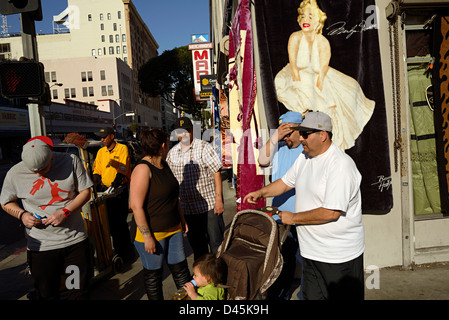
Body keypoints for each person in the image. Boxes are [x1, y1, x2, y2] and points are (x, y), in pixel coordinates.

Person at [244, 112, 365, 300]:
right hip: (312, 254)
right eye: (300, 133)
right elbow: (285, 183)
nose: (300, 139)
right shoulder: (304, 157)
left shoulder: (340, 165)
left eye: (305, 134)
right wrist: (261, 193)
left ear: (322, 135)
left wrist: (292, 217)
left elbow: (331, 212)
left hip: (338, 257)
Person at [0, 136, 93, 300]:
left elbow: (86, 191)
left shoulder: (70, 161)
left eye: (43, 169)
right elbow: (6, 202)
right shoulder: (15, 173)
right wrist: (22, 215)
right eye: (34, 171)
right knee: (47, 294)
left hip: (74, 244)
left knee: (77, 291)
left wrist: (65, 212)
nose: (39, 174)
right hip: (41, 248)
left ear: (51, 155)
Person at [274, 0, 375, 150]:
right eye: (303, 16)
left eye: (310, 16)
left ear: (318, 20)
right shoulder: (295, 37)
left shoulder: (322, 42)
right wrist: (299, 82)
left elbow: (322, 70)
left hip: (318, 76)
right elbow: (294, 67)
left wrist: (319, 87)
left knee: (350, 88)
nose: (305, 20)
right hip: (296, 75)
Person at [130, 129, 190, 300]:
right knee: (154, 276)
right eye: (168, 144)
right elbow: (136, 206)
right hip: (153, 234)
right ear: (163, 145)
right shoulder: (143, 168)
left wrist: (182, 219)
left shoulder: (164, 164)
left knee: (182, 272)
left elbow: (173, 197)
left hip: (174, 229)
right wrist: (147, 236)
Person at [258, 111, 304, 300]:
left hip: (303, 217)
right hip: (280, 217)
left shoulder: (307, 150)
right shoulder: (279, 147)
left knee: (307, 263)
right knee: (281, 263)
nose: (285, 137)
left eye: (288, 132)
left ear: (299, 130)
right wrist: (276, 137)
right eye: (282, 132)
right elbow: (262, 160)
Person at [167, 117, 225, 260]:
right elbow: (171, 184)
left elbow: (216, 174)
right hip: (188, 210)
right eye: (180, 132)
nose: (183, 134)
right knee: (198, 247)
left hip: (209, 206)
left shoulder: (204, 147)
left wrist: (219, 200)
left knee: (216, 245)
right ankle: (204, 279)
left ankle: (220, 278)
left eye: (186, 131)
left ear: (192, 131)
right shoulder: (172, 154)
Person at [93, 126, 135, 263]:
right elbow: (97, 170)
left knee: (120, 223)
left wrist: (116, 183)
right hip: (106, 192)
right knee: (110, 223)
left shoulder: (122, 148)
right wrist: (95, 180)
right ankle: (118, 250)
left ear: (111, 136)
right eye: (100, 137)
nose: (102, 139)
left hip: (119, 190)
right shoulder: (101, 152)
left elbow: (122, 168)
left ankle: (127, 251)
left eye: (104, 137)